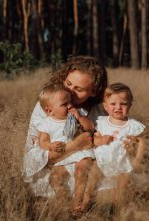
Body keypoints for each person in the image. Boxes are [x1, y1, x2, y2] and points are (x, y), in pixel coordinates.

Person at [22, 56, 114, 207]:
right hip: (55, 169)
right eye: (68, 83)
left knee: (118, 192)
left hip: (89, 171)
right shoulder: (48, 105)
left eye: (78, 89)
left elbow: (109, 151)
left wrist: (88, 192)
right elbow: (32, 158)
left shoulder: (101, 109)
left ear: (94, 91)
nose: (70, 92)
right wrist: (76, 145)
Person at [80, 83, 146, 211]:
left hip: (123, 165)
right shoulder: (101, 122)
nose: (118, 107)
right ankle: (86, 201)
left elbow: (142, 142)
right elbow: (93, 138)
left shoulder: (133, 125)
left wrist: (138, 159)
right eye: (113, 104)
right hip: (101, 162)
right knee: (92, 178)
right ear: (105, 106)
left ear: (130, 105)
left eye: (123, 104)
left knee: (123, 184)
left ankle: (120, 207)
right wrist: (99, 139)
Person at [35, 82, 95, 211]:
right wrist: (50, 145)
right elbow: (42, 142)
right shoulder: (46, 123)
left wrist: (79, 116)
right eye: (64, 104)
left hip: (81, 154)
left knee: (82, 170)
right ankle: (63, 200)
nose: (69, 106)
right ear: (49, 110)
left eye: (70, 102)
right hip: (62, 158)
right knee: (55, 177)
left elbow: (90, 127)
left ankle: (77, 202)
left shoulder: (76, 114)